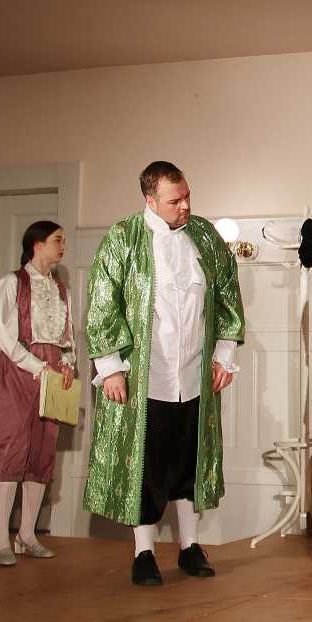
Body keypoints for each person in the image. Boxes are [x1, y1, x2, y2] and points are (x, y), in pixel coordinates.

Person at [84, 161, 245, 587]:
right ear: (150, 200)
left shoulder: (205, 236)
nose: (185, 206)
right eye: (175, 200)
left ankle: (190, 547)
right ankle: (144, 553)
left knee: (188, 461)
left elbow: (227, 295)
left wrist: (224, 354)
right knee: (149, 466)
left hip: (193, 375)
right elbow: (103, 303)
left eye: (187, 196)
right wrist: (110, 368)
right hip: (145, 376)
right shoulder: (123, 238)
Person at [0, 221, 76, 566]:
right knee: (10, 448)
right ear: (37, 244)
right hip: (19, 371)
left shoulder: (62, 290)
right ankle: (0, 539)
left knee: (42, 451)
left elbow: (68, 336)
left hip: (52, 374)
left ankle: (27, 534)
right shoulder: (12, 283)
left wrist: (67, 362)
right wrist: (36, 365)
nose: (62, 246)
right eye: (57, 240)